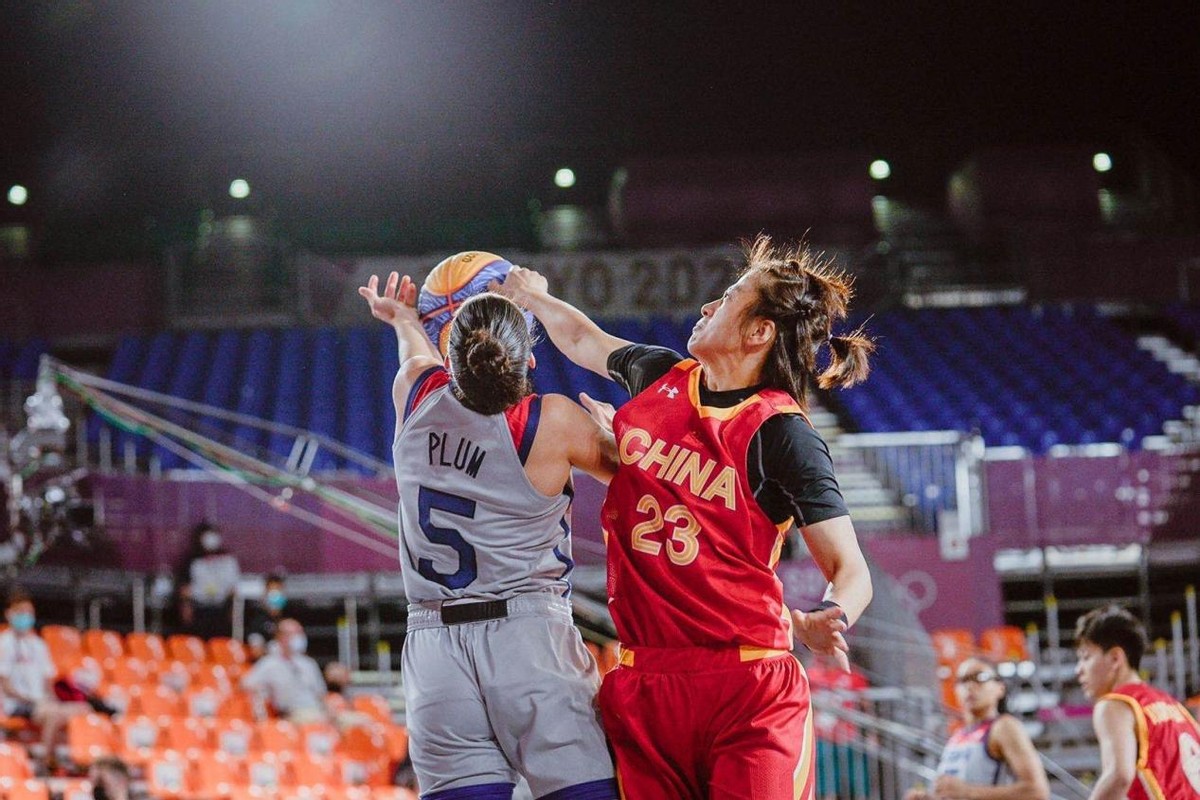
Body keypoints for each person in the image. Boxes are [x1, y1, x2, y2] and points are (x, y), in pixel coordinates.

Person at [495, 234, 875, 799]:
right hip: (645, 680)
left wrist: (831, 613)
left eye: (727, 298)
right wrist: (536, 298)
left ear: (758, 332)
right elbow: (582, 338)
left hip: (746, 687)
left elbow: (851, 569)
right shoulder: (659, 377)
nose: (707, 306)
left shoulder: (782, 432)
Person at [359, 271, 619, 800]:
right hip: (528, 636)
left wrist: (405, 318)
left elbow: (414, 355)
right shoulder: (552, 421)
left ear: (448, 359)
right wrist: (614, 431)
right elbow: (645, 473)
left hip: (433, 646)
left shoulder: (413, 393)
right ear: (529, 359)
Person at [1074, 605, 1200, 800]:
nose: (1078, 670)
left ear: (1115, 658)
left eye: (1086, 657)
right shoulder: (1173, 706)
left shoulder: (1114, 704)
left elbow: (1119, 776)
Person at [904, 656, 1049, 800]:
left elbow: (1036, 791)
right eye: (963, 680)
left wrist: (968, 791)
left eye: (979, 677)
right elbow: (955, 792)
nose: (969, 686)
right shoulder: (957, 736)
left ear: (1000, 688)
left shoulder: (1004, 727)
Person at [0, 589, 92, 759]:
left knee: (84, 708)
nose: (25, 617)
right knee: (54, 715)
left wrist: (51, 700)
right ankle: (46, 762)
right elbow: (4, 684)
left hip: (41, 703)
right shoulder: (4, 643)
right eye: (20, 612)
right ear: (9, 614)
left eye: (29, 613)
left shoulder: (38, 645)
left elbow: (47, 680)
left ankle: (80, 758)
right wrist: (30, 699)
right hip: (17, 704)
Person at [240, 618, 327, 723]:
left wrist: (330, 711)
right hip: (292, 713)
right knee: (318, 721)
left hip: (317, 710)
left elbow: (321, 694)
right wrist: (264, 693)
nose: (300, 637)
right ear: (281, 637)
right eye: (294, 633)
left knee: (349, 721)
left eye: (300, 632)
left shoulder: (308, 663)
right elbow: (246, 685)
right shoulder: (269, 663)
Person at [174, 520, 239, 638]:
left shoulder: (228, 560)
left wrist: (232, 608)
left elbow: (233, 588)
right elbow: (184, 589)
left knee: (220, 642)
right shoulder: (191, 560)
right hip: (199, 609)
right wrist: (186, 607)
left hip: (221, 609)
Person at [246, 571, 288, 659]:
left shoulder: (289, 618)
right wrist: (273, 650)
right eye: (272, 592)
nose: (276, 596)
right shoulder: (257, 621)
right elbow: (256, 652)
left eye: (279, 590)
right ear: (265, 594)